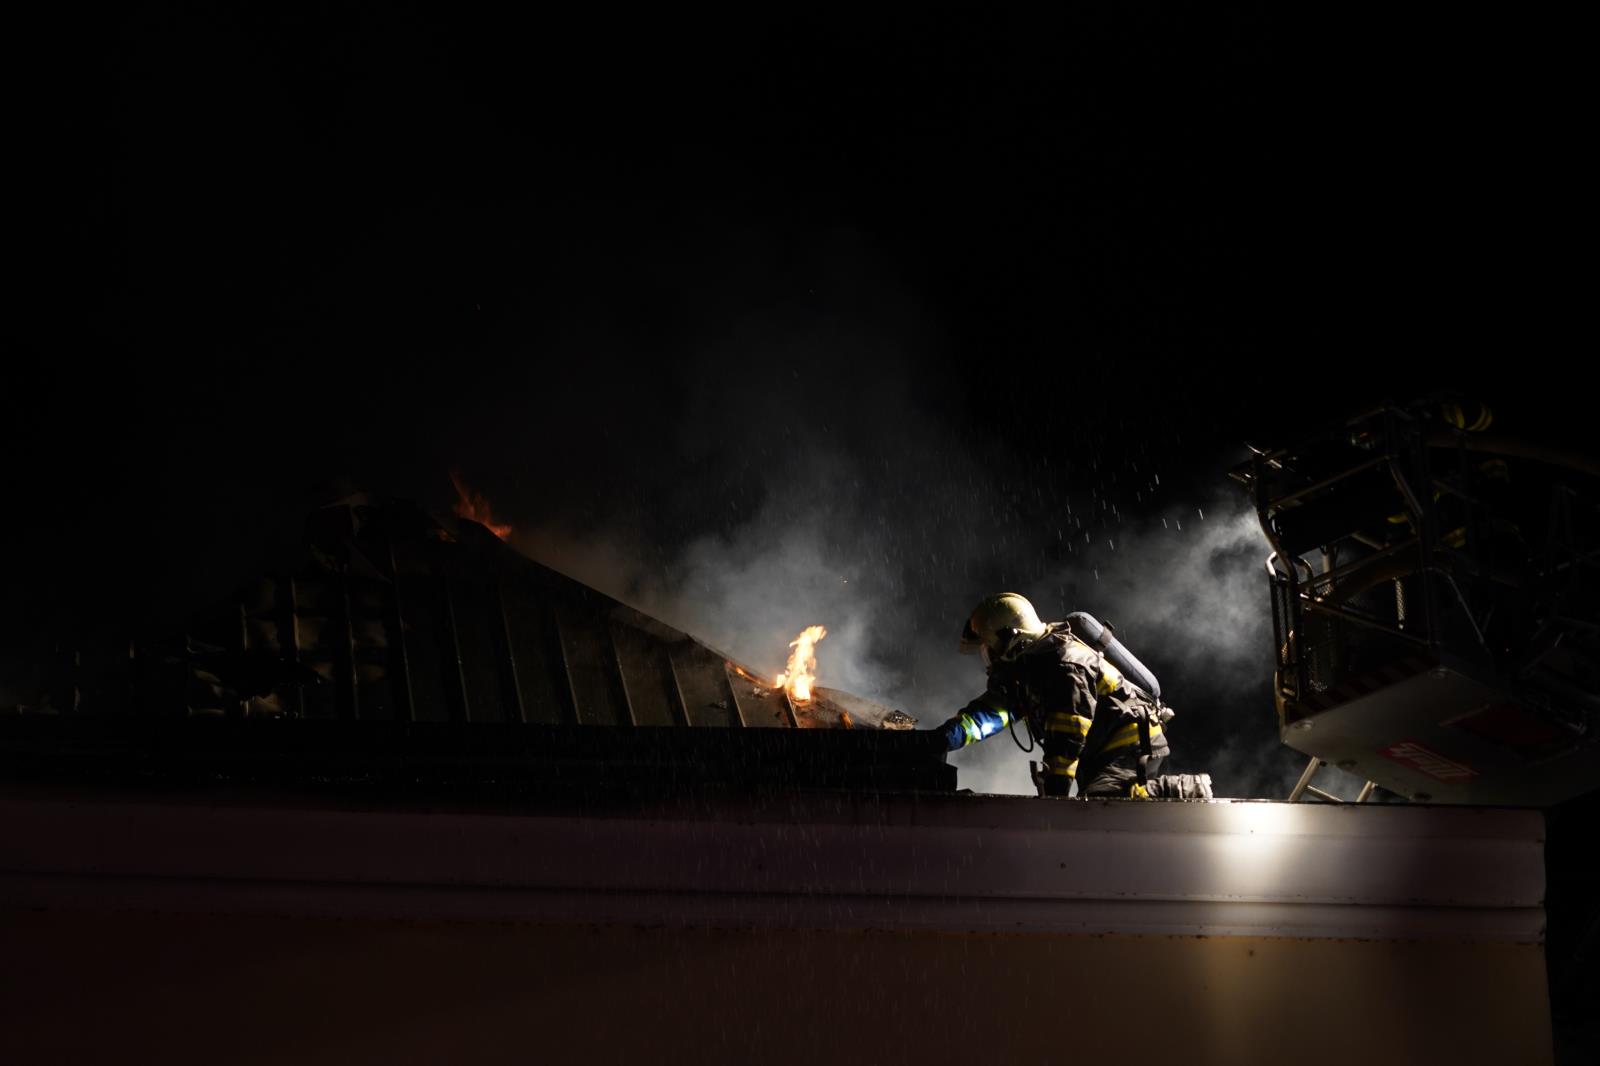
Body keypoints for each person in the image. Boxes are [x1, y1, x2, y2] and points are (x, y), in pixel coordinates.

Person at [936, 592, 1212, 799]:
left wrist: (1056, 793)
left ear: (1012, 637)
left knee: (1104, 803)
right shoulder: (1029, 669)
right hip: (1098, 749)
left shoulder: (1065, 665)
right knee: (1091, 807)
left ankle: (1185, 789)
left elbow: (1069, 733)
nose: (989, 658)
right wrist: (943, 738)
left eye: (989, 649)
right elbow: (994, 711)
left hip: (1127, 744)